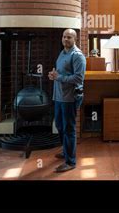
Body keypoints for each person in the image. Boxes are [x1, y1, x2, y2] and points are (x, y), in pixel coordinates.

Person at [48, 28, 86, 173]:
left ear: (74, 39)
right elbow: (61, 73)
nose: (65, 39)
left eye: (69, 37)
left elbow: (78, 78)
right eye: (64, 37)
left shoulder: (77, 56)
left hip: (69, 98)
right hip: (58, 96)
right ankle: (66, 151)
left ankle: (70, 161)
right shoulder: (62, 53)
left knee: (69, 129)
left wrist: (59, 77)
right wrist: (54, 75)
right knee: (60, 125)